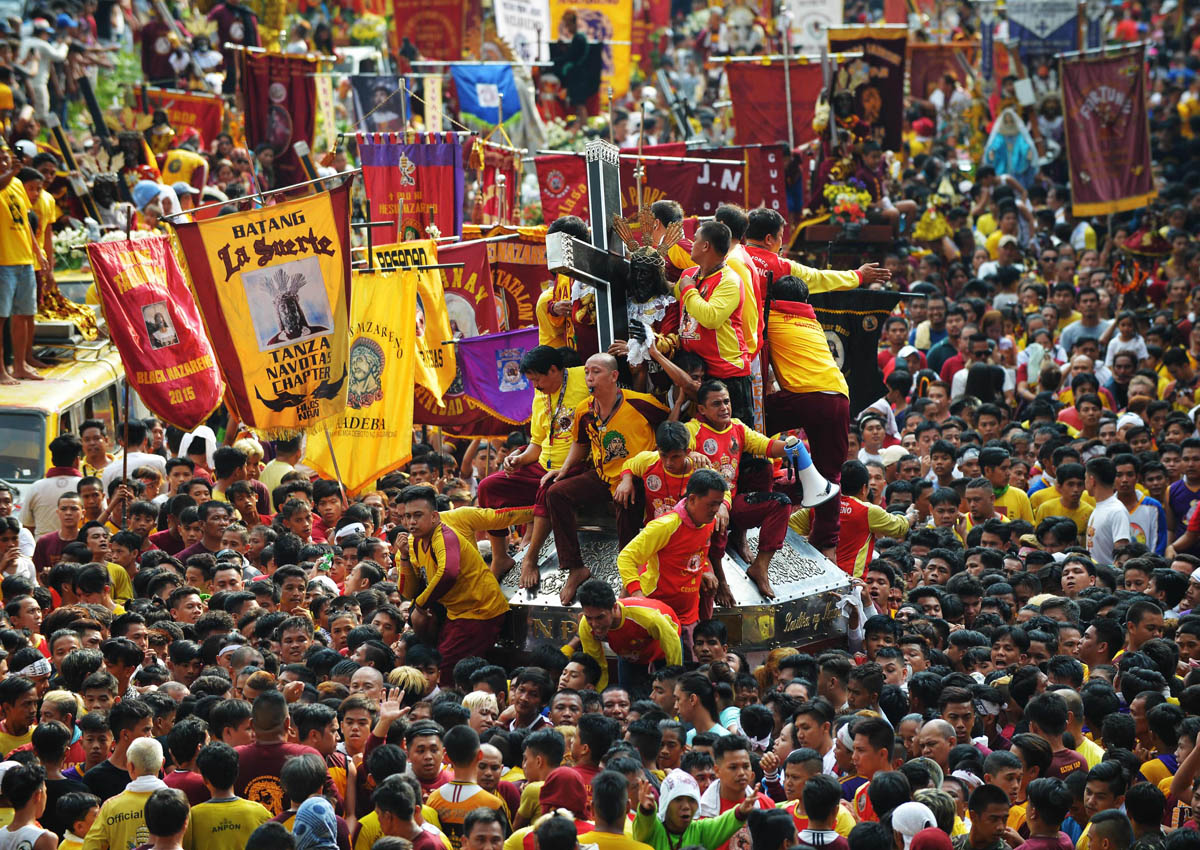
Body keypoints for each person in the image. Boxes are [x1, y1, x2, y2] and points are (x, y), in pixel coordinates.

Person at [542, 353, 667, 604]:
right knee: (556, 493)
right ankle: (575, 567)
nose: (589, 377)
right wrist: (564, 470)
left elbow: (669, 423)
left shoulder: (641, 403)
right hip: (603, 476)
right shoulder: (584, 409)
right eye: (587, 372)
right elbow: (580, 443)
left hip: (636, 477)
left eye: (596, 372)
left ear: (614, 376)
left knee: (627, 500)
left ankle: (628, 578)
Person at [574, 579, 682, 691]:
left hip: (664, 648)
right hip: (628, 654)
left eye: (600, 617)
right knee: (626, 696)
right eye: (589, 618)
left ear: (614, 607)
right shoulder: (586, 626)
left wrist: (673, 686)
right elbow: (596, 666)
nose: (595, 624)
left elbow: (674, 658)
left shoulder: (649, 618)